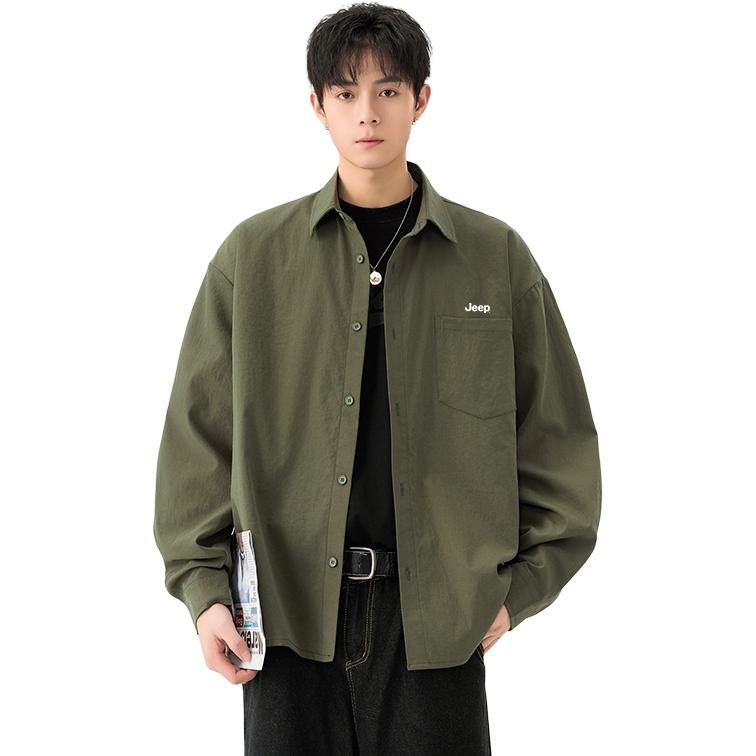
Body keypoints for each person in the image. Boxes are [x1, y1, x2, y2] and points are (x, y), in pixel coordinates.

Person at [153, 3, 602, 754]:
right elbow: (197, 442)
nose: (367, 113)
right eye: (346, 93)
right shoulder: (252, 260)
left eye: (388, 91)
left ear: (421, 100)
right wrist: (205, 594)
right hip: (287, 620)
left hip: (437, 625)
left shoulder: (494, 258)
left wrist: (516, 592)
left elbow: (557, 438)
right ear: (317, 105)